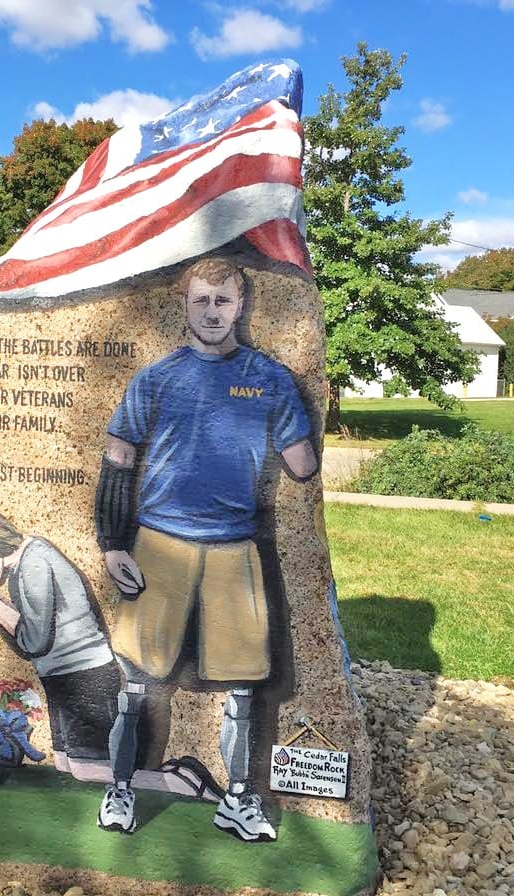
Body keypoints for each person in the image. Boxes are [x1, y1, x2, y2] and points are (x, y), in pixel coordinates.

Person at [94, 256, 318, 841]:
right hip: (160, 543)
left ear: (240, 305)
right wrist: (112, 543)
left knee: (242, 684)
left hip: (232, 548)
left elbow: (302, 467)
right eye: (202, 301)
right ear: (185, 305)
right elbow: (117, 458)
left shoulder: (270, 378)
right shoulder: (157, 378)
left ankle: (239, 799)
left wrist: (307, 406)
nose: (212, 312)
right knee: (138, 679)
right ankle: (119, 791)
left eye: (223, 301)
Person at [0, 506, 119, 781]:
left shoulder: (34, 563)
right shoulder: (25, 560)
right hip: (62, 675)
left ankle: (181, 783)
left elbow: (33, 641)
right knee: (65, 763)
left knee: (90, 769)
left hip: (84, 676)